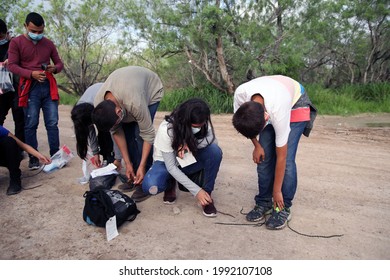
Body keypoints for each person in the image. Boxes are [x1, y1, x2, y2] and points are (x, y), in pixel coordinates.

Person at [232, 75, 317, 230]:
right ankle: (264, 202)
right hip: (273, 95)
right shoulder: (240, 95)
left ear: (267, 118)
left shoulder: (278, 110)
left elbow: (282, 156)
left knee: (287, 161)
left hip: (295, 102)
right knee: (264, 158)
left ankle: (282, 207)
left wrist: (277, 191)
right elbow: (246, 125)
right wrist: (256, 145)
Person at [92, 66, 164, 202]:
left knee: (138, 135)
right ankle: (133, 173)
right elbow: (117, 133)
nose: (117, 126)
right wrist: (128, 163)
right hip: (126, 90)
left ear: (119, 112)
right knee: (128, 135)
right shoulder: (99, 104)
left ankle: (145, 177)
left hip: (150, 89)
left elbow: (148, 135)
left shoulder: (134, 103)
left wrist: (142, 166)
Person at [142, 98, 223, 217]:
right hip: (166, 164)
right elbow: (171, 167)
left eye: (201, 125)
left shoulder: (203, 120)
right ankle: (170, 183)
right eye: (195, 126)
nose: (199, 128)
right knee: (151, 186)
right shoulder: (167, 129)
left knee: (215, 152)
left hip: (186, 160)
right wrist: (196, 191)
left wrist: (189, 144)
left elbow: (213, 141)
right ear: (184, 121)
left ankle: (207, 195)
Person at [7, 12, 64, 170]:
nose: (37, 34)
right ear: (25, 26)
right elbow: (12, 65)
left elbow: (59, 63)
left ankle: (55, 155)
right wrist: (30, 73)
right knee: (31, 124)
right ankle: (33, 157)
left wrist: (55, 68)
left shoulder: (48, 43)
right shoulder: (16, 43)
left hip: (48, 86)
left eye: (40, 31)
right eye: (34, 31)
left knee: (52, 123)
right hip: (29, 88)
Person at [71, 83, 116, 168]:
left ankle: (111, 157)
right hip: (94, 101)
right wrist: (95, 153)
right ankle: (106, 157)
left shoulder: (100, 104)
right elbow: (90, 132)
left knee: (106, 132)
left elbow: (115, 131)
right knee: (102, 134)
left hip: (106, 95)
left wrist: (118, 158)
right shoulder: (78, 114)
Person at [0, 125, 51, 195]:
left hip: (4, 157)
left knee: (9, 141)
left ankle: (15, 179)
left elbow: (23, 145)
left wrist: (39, 155)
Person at [0, 19, 25, 145]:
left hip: (16, 88)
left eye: (1, 36)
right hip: (0, 90)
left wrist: (12, 60)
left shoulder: (15, 44)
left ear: (5, 33)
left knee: (20, 119)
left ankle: (19, 148)